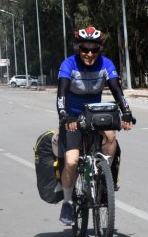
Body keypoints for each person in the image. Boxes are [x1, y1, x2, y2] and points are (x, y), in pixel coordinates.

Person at [56, 26, 135, 226]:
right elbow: (61, 94)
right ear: (78, 48)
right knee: (72, 161)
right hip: (72, 117)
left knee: (111, 136)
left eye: (94, 49)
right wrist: (64, 116)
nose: (90, 54)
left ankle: (104, 179)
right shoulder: (69, 64)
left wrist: (126, 111)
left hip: (96, 114)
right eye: (85, 49)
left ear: (100, 49)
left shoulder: (106, 64)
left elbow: (117, 90)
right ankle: (67, 202)